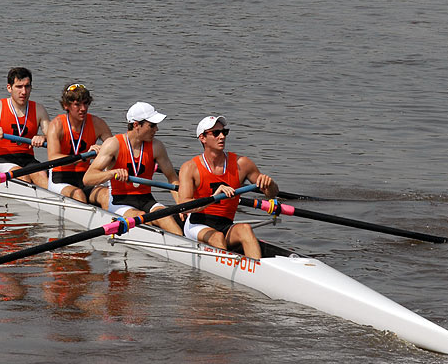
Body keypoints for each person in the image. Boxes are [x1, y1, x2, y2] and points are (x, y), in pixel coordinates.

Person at [178, 116, 278, 259]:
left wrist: (270, 184)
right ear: (202, 138)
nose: (222, 136)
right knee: (217, 237)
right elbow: (183, 205)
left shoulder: (242, 164)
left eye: (224, 132)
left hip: (226, 224)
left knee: (245, 229)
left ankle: (258, 269)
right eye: (216, 133)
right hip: (197, 223)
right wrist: (214, 198)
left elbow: (271, 195)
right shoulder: (190, 167)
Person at [82, 101, 183, 235]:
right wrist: (112, 173)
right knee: (140, 215)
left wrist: (182, 206)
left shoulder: (157, 146)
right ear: (136, 125)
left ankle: (185, 246)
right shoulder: (113, 144)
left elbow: (172, 179)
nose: (156, 129)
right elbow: (88, 179)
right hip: (119, 201)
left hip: (146, 199)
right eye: (152, 125)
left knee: (166, 217)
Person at [0, 67, 51, 187]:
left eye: (27, 86)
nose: (24, 92)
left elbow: (53, 136)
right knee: (23, 177)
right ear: (9, 88)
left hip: (28, 158)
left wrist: (44, 137)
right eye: (19, 87)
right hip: (3, 158)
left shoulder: (39, 109)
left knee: (41, 175)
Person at [46, 83, 113, 207]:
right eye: (77, 104)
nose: (83, 108)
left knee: (107, 195)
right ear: (66, 105)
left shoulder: (97, 123)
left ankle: (111, 223)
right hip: (60, 178)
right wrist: (84, 157)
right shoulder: (56, 125)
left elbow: (115, 149)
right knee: (78, 194)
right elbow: (53, 158)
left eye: (86, 103)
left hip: (86, 177)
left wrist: (103, 150)